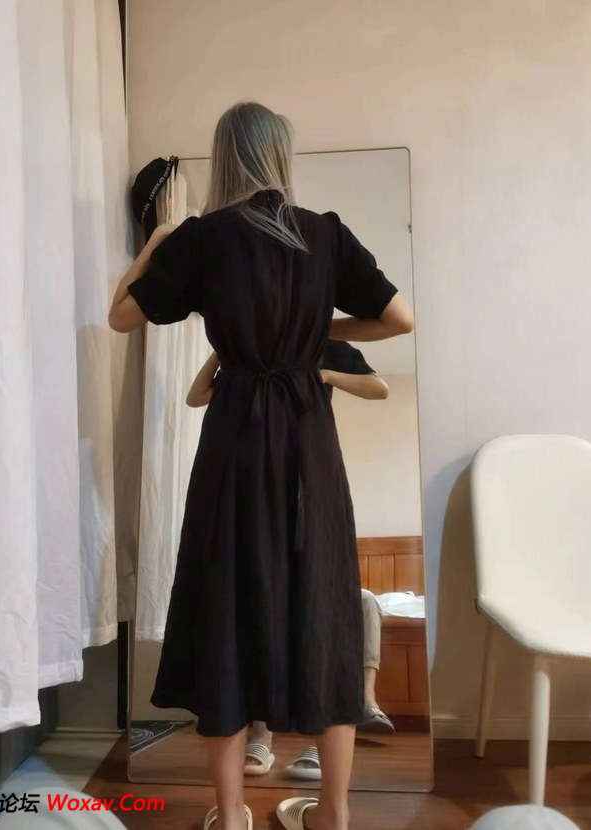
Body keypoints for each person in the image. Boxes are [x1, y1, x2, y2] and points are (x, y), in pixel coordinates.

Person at [109, 101, 414, 830]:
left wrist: (158, 240)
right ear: (282, 154)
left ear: (225, 156)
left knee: (225, 607)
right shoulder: (325, 233)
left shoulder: (204, 238)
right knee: (325, 605)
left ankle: (232, 813)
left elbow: (122, 314)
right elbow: (399, 319)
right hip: (309, 439)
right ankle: (333, 813)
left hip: (236, 439)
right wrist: (312, 335)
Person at [185, 346, 395, 783]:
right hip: (251, 489)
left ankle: (337, 721)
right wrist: (224, 347)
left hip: (307, 480)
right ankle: (261, 732)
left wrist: (325, 376)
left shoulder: (324, 345)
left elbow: (379, 387)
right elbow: (196, 396)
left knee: (320, 613)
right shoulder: (247, 353)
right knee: (258, 609)